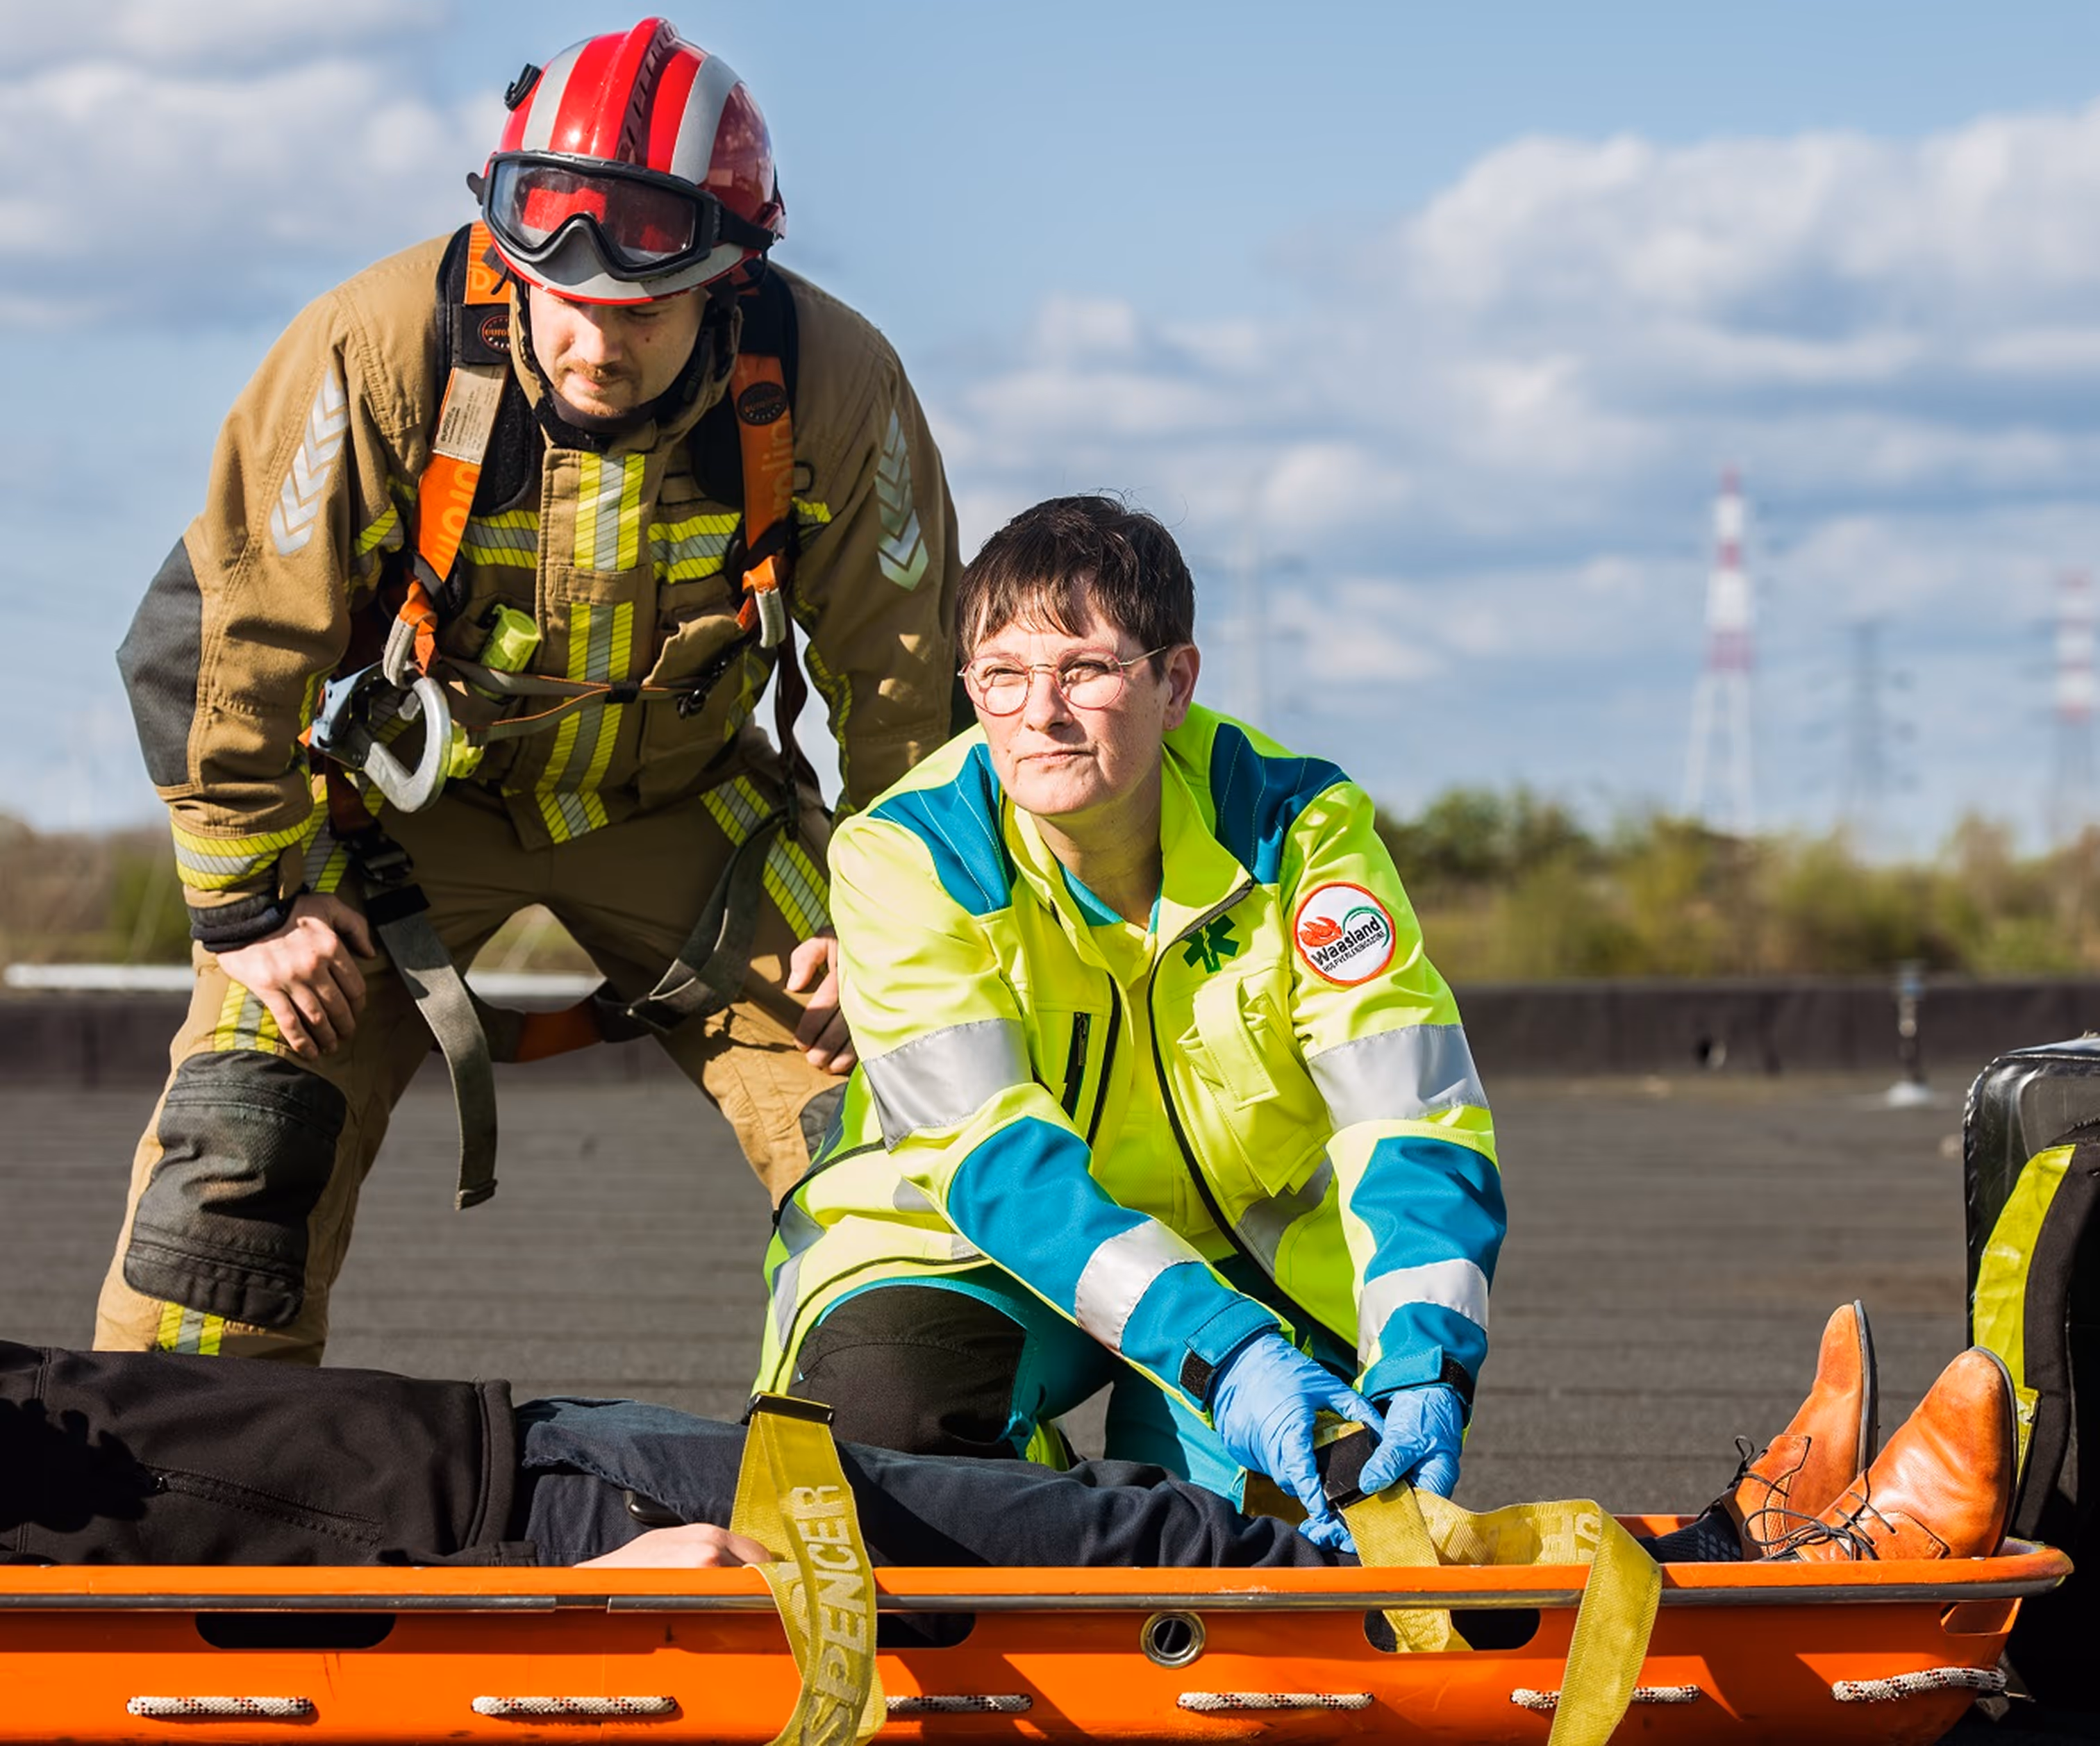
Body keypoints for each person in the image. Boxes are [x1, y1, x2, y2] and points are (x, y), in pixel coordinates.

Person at [96, 19, 960, 1364]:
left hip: (694, 818)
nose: (596, 340)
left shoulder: (834, 383)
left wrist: (897, 932)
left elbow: (908, 689)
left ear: (727, 284)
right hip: (397, 818)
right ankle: (190, 1536)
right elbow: (218, 636)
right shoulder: (377, 344)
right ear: (509, 252)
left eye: (645, 309)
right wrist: (251, 904)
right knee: (233, 1178)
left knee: (922, 1139)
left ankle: (912, 1517)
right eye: (562, 296)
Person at [755, 494, 1498, 1549]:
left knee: (1298, 1536)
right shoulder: (907, 852)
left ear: (1175, 681)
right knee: (878, 1444)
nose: (1038, 714)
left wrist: (1427, 1362)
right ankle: (1036, 1469)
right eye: (1001, 677)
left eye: (1086, 670)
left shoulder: (1299, 828)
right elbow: (994, 1166)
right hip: (968, 1250)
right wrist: (1219, 1350)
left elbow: (1412, 1111)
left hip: (1242, 1259)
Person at [0, 1307, 2019, 1570]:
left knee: (1151, 1520)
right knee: (1171, 1562)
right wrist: (557, 1613)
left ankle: (1684, 1543)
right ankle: (1753, 1585)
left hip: (518, 1440)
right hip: (538, 1536)